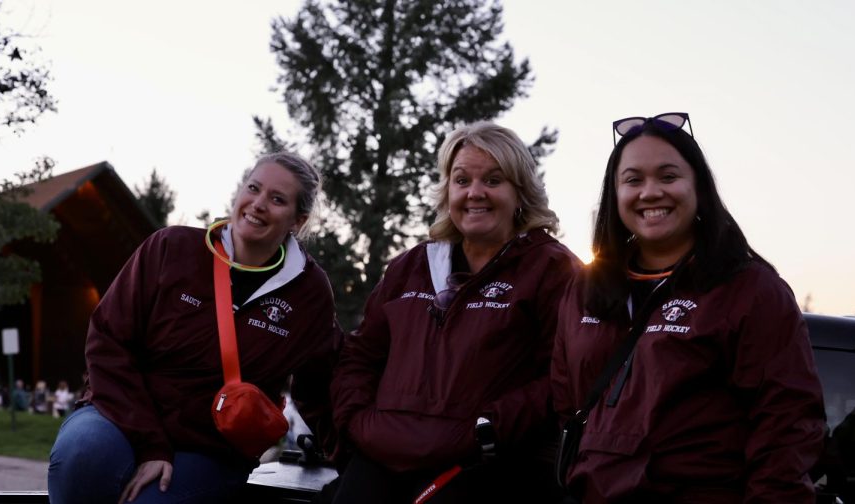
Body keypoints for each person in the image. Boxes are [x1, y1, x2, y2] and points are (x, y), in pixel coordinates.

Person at [551, 113, 825, 503]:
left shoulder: (751, 290)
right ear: (614, 195)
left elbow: (787, 428)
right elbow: (566, 406)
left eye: (668, 176)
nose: (650, 192)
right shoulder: (584, 289)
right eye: (633, 180)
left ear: (699, 187)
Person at [48, 152, 341, 504]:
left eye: (277, 199)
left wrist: (354, 458)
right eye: (254, 188)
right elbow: (108, 341)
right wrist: (151, 445)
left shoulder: (309, 292)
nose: (258, 204)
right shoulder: (172, 248)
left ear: (298, 219)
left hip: (211, 447)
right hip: (122, 415)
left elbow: (321, 383)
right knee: (83, 456)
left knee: (151, 501)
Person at [330, 122, 581, 503]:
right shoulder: (410, 266)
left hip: (483, 464)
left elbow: (563, 375)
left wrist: (487, 429)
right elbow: (361, 355)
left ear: (520, 193)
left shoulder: (552, 270)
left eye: (493, 181)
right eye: (462, 180)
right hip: (382, 454)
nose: (475, 193)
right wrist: (356, 421)